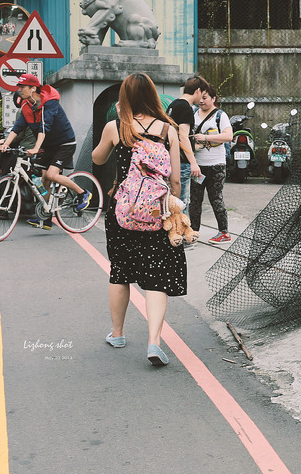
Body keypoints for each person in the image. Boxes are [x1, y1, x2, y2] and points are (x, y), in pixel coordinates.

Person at [91, 72, 186, 366]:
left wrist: (119, 121)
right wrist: (176, 210)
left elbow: (96, 159)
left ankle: (117, 334)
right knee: (156, 276)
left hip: (123, 210)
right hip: (158, 211)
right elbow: (176, 179)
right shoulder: (168, 130)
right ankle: (154, 342)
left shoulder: (115, 127)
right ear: (153, 96)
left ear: (125, 98)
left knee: (120, 272)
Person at [0, 73, 90, 229]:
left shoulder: (49, 103)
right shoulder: (26, 105)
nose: (19, 90)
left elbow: (44, 127)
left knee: (52, 174)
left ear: (33, 88)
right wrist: (6, 143)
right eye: (19, 87)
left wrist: (36, 148)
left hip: (64, 143)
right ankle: (46, 216)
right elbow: (18, 127)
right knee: (45, 179)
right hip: (49, 146)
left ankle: (82, 193)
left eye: (22, 87)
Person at [189, 85, 233, 244]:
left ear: (214, 98)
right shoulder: (193, 113)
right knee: (195, 200)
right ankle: (193, 233)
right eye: (200, 97)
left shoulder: (220, 116)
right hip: (198, 166)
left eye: (205, 98)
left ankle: (224, 232)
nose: (201, 101)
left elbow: (229, 136)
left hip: (216, 165)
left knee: (216, 198)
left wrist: (205, 138)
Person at [166, 75, 205, 222]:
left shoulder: (173, 104)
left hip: (170, 159)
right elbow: (183, 136)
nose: (201, 98)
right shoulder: (185, 108)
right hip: (181, 162)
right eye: (202, 94)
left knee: (171, 201)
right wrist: (193, 162)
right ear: (198, 90)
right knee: (181, 201)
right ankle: (181, 238)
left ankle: (172, 235)